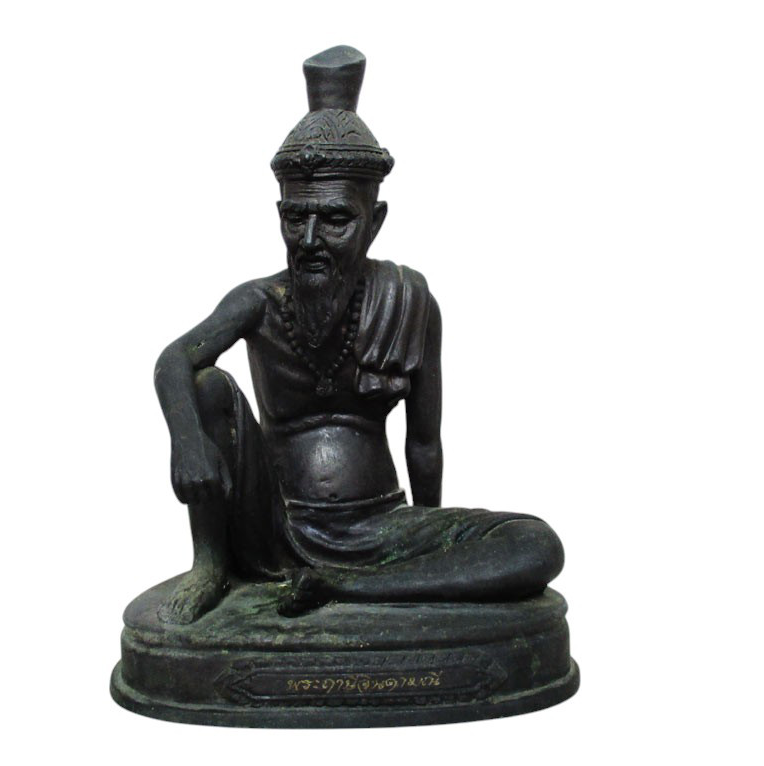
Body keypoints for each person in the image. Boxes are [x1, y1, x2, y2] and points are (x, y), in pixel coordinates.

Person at [154, 46, 564, 624]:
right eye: (296, 218)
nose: (310, 240)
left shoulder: (407, 299)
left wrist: (431, 534)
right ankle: (210, 565)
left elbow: (424, 442)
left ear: (375, 221)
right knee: (207, 386)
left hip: (380, 527)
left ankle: (352, 587)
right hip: (273, 521)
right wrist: (188, 442)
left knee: (536, 544)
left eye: (335, 220)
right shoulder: (259, 302)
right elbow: (175, 358)